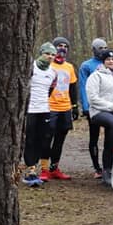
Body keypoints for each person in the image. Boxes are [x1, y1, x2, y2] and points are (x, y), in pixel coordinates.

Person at [86, 49, 113, 186]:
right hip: (98, 111)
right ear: (103, 62)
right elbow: (92, 99)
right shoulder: (96, 76)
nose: (111, 61)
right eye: (108, 60)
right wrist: (112, 106)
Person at [23, 43, 58, 187]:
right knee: (29, 139)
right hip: (30, 109)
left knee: (42, 139)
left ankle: (35, 168)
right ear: (41, 53)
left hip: (44, 109)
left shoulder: (53, 72)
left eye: (52, 55)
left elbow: (50, 90)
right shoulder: (30, 67)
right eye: (47, 54)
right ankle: (29, 171)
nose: (50, 57)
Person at [45, 38, 77, 181]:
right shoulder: (47, 65)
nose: (62, 48)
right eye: (59, 46)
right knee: (47, 137)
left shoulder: (69, 67)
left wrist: (75, 107)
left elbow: (73, 88)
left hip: (65, 107)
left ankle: (54, 168)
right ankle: (44, 169)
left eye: (65, 46)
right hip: (49, 107)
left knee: (60, 139)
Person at [79, 37, 107, 177]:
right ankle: (97, 168)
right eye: (100, 48)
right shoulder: (86, 66)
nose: (103, 51)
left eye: (104, 48)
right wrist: (85, 106)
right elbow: (83, 86)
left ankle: (110, 165)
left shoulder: (110, 63)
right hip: (93, 107)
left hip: (108, 106)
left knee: (111, 136)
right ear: (94, 49)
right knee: (94, 136)